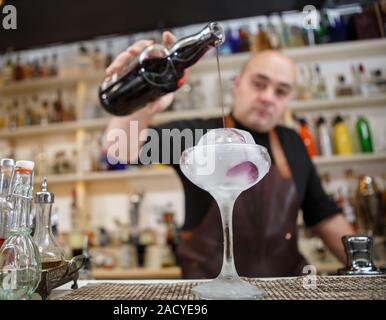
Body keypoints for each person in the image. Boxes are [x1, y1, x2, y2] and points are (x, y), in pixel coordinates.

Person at [102, 31, 354, 278]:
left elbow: (323, 216)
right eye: (259, 84)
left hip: (283, 289)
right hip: (208, 292)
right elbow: (117, 149)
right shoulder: (198, 137)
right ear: (237, 84)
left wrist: (364, 266)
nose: (267, 97)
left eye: (281, 91)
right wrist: (145, 95)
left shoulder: (292, 141)